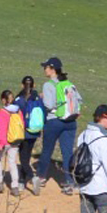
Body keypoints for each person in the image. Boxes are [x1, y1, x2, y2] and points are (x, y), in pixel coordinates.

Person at [37, 58, 82, 193]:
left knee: (47, 150)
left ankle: (41, 177)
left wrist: (42, 97)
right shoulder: (68, 83)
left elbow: (49, 105)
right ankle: (69, 181)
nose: (44, 70)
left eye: (45, 67)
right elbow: (79, 99)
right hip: (70, 121)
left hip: (54, 121)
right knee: (67, 152)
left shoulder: (48, 85)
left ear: (52, 69)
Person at [0, 90, 25, 193]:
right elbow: (22, 125)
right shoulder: (18, 111)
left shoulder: (2, 112)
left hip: (5, 142)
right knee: (12, 162)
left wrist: (1, 144)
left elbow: (1, 129)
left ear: (3, 100)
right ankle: (15, 187)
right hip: (15, 140)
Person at [17, 75, 43, 196]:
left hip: (23, 132)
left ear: (22, 85)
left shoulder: (19, 99)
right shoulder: (38, 98)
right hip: (34, 132)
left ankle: (32, 178)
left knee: (23, 158)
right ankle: (22, 181)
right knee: (26, 156)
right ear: (34, 86)